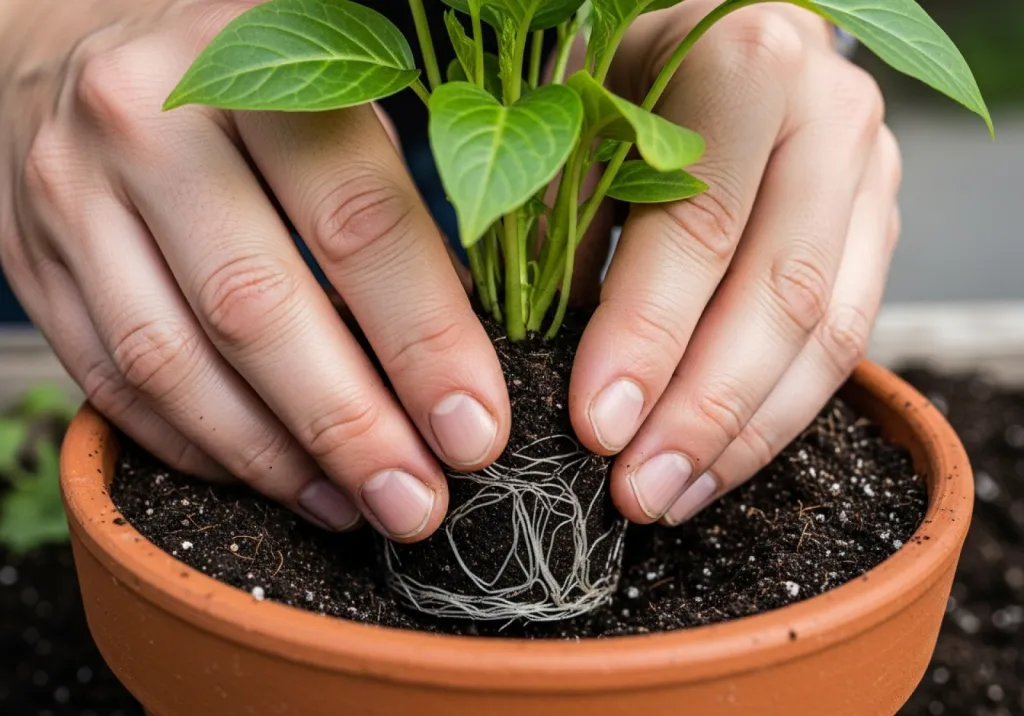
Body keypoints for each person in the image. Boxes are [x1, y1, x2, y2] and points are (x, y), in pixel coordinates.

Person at [0, 0, 900, 542]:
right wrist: (36, 38)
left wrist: (757, 22)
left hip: (543, 83)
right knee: (165, 319)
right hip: (156, 137)